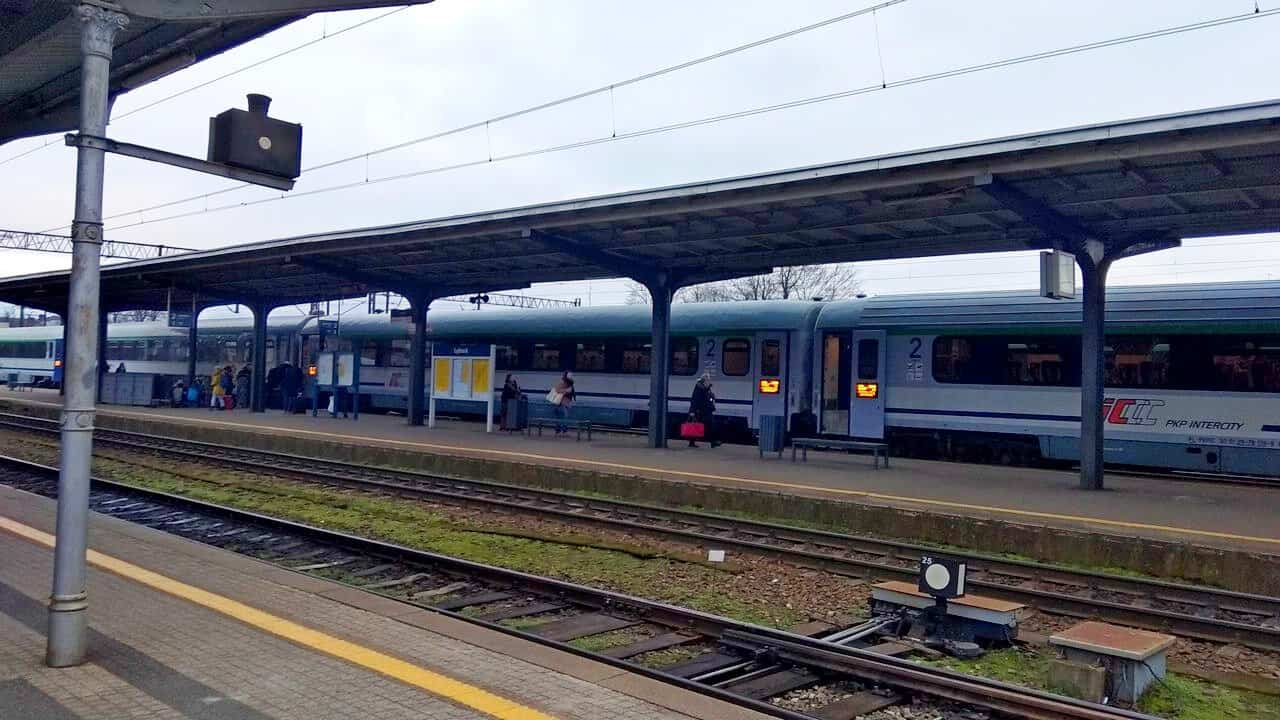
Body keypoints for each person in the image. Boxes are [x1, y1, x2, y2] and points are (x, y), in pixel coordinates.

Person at [688, 372, 719, 448]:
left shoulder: (705, 388)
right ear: (704, 380)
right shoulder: (699, 388)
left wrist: (711, 395)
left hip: (706, 410)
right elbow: (695, 399)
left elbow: (708, 397)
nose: (709, 381)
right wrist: (692, 411)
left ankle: (712, 442)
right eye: (708, 380)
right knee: (698, 425)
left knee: (709, 425)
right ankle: (712, 442)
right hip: (700, 410)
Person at [550, 371, 575, 436]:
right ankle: (563, 431)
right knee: (564, 417)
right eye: (570, 376)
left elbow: (571, 393)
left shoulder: (568, 384)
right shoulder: (563, 383)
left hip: (563, 403)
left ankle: (559, 431)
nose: (572, 377)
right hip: (561, 403)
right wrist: (566, 391)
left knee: (560, 417)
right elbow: (557, 390)